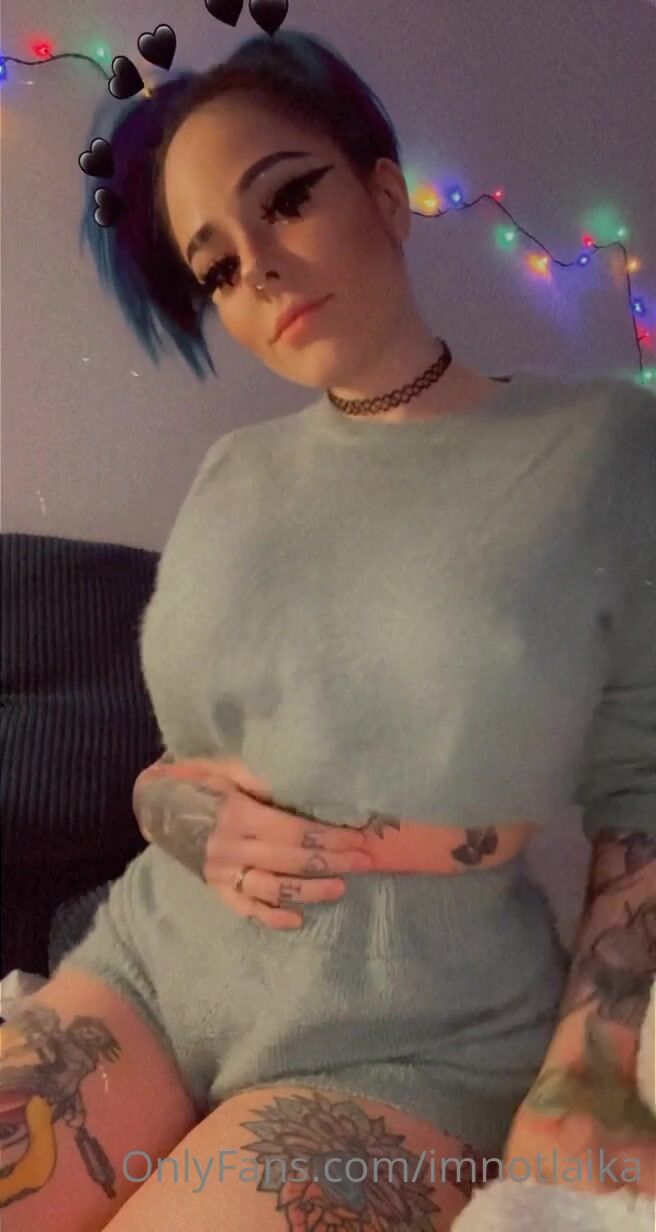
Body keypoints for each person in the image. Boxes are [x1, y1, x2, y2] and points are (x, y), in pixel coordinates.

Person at [2, 30, 655, 1232]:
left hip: (407, 1034)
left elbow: (642, 792)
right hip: (154, 960)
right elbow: (183, 764)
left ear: (383, 191)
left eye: (287, 198)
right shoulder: (233, 473)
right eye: (214, 265)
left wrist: (595, 1074)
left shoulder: (598, 446)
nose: (257, 268)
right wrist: (176, 810)